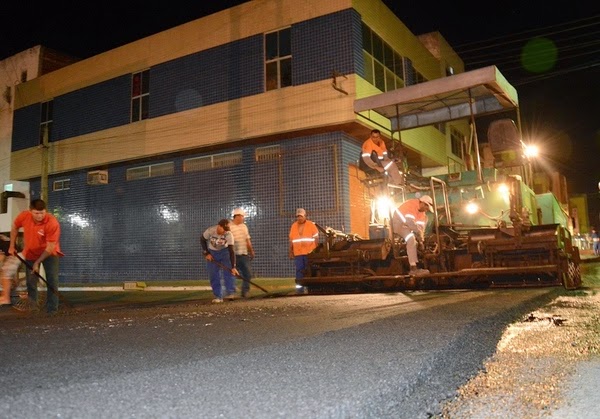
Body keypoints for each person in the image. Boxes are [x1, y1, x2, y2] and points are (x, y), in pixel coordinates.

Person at [0, 199, 63, 314]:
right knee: (31, 281)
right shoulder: (24, 216)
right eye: (36, 213)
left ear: (45, 211)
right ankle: (33, 307)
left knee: (52, 279)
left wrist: (37, 262)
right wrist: (11, 246)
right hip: (30, 253)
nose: (39, 216)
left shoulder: (52, 223)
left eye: (42, 213)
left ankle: (52, 309)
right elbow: (14, 227)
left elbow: (49, 248)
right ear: (30, 211)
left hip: (49, 253)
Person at [392, 195, 434, 276]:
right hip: (398, 224)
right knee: (411, 240)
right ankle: (413, 268)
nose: (426, 210)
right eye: (426, 207)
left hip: (407, 226)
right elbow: (410, 222)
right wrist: (418, 234)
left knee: (416, 240)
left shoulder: (422, 214)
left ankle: (417, 262)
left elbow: (420, 228)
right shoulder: (411, 204)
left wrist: (421, 239)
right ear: (422, 203)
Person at [201, 218, 239, 303]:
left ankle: (230, 293)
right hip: (212, 252)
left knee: (229, 272)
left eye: (226, 230)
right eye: (224, 229)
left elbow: (231, 251)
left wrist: (233, 267)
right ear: (219, 226)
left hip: (224, 252)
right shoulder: (211, 230)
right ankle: (218, 296)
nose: (225, 232)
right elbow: (202, 239)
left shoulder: (229, 234)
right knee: (214, 274)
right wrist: (207, 253)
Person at [289, 208, 319, 294]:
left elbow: (316, 238)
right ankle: (299, 290)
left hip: (309, 253)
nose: (299, 218)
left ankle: (310, 289)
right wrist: (290, 251)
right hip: (298, 253)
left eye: (301, 216)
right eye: (298, 216)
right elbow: (291, 240)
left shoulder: (311, 225)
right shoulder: (293, 226)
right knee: (299, 271)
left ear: (305, 216)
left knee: (309, 270)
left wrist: (315, 250)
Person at [230, 207, 255, 298]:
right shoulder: (229, 226)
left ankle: (245, 291)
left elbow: (247, 240)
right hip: (233, 255)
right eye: (242, 216)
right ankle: (231, 292)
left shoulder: (244, 227)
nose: (243, 218)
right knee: (232, 274)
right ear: (237, 216)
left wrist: (251, 251)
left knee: (247, 273)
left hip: (243, 254)